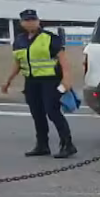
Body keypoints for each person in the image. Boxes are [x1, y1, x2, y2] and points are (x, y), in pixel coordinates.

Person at [2, 9, 77, 158]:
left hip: (50, 80)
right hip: (31, 82)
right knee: (37, 114)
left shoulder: (50, 38)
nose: (30, 23)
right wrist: (8, 81)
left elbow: (63, 61)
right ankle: (42, 145)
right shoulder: (19, 40)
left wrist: (66, 79)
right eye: (27, 20)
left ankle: (68, 144)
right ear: (22, 23)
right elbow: (17, 62)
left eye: (33, 20)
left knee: (52, 112)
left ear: (38, 21)